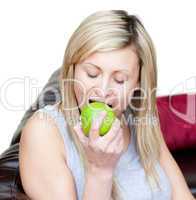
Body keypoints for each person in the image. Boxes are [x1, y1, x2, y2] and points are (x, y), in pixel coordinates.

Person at [18, 10, 195, 200]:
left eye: (119, 80)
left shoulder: (140, 120)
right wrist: (99, 170)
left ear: (138, 83)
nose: (102, 90)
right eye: (92, 74)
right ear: (72, 70)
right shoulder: (44, 132)